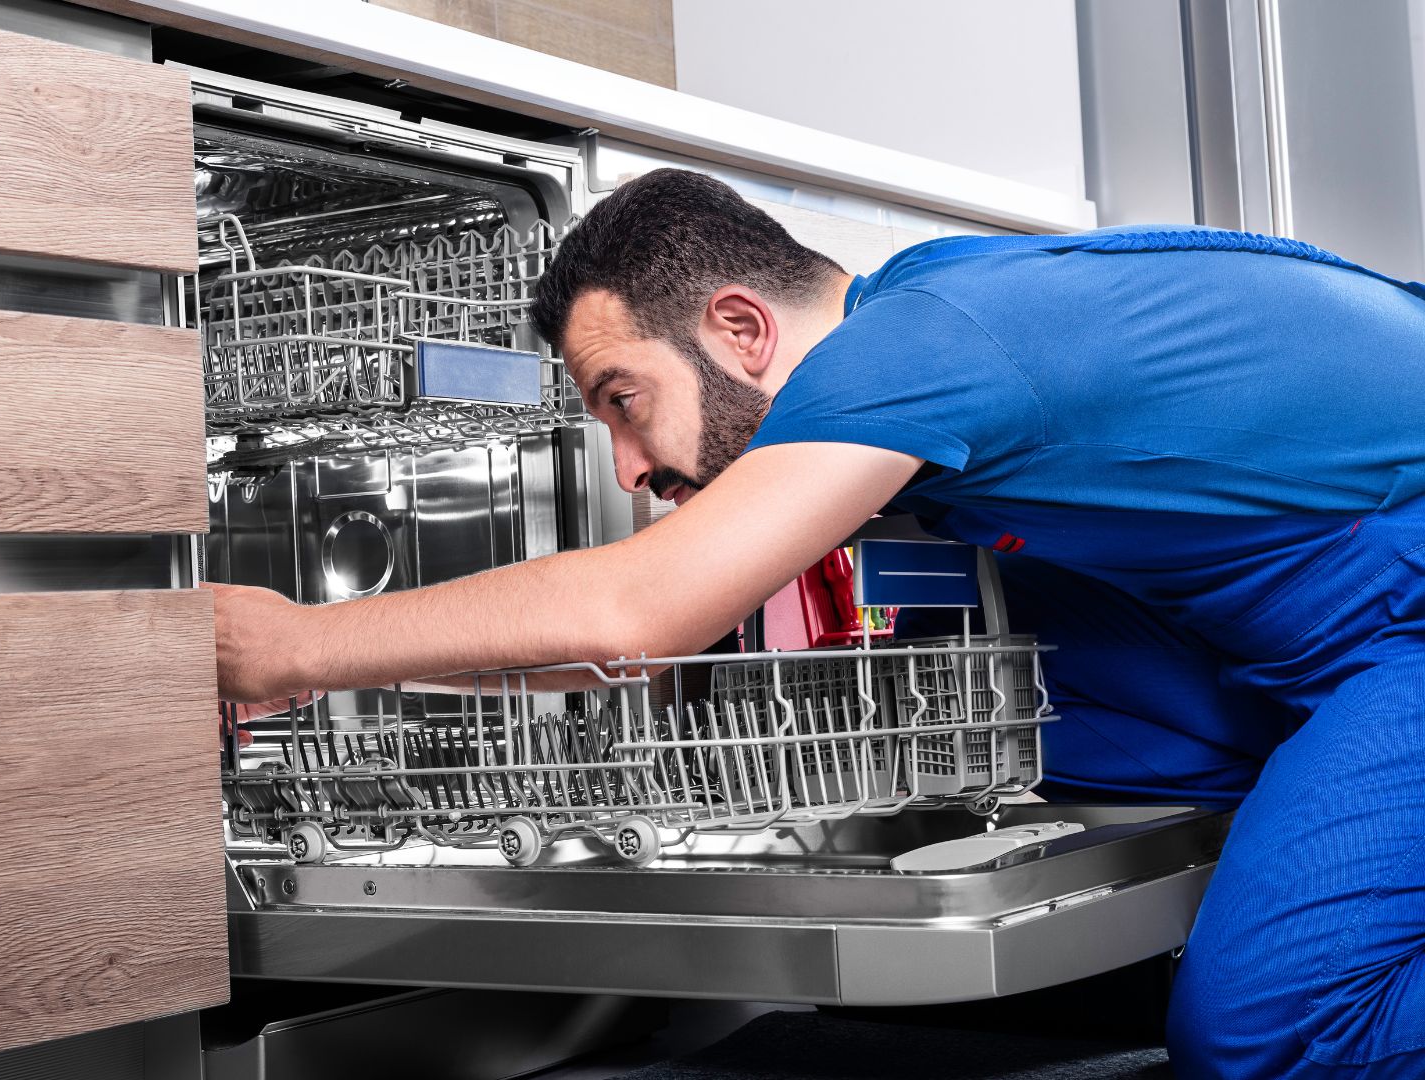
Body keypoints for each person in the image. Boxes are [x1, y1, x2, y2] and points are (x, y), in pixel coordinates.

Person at [208, 168, 1425, 1079]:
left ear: (742, 330)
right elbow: (622, 640)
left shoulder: (918, 351)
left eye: (624, 401)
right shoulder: (928, 321)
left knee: (1268, 1031)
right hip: (1313, 613)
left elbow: (640, 613)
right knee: (1030, 704)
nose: (627, 464)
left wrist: (297, 646)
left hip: (1398, 620)